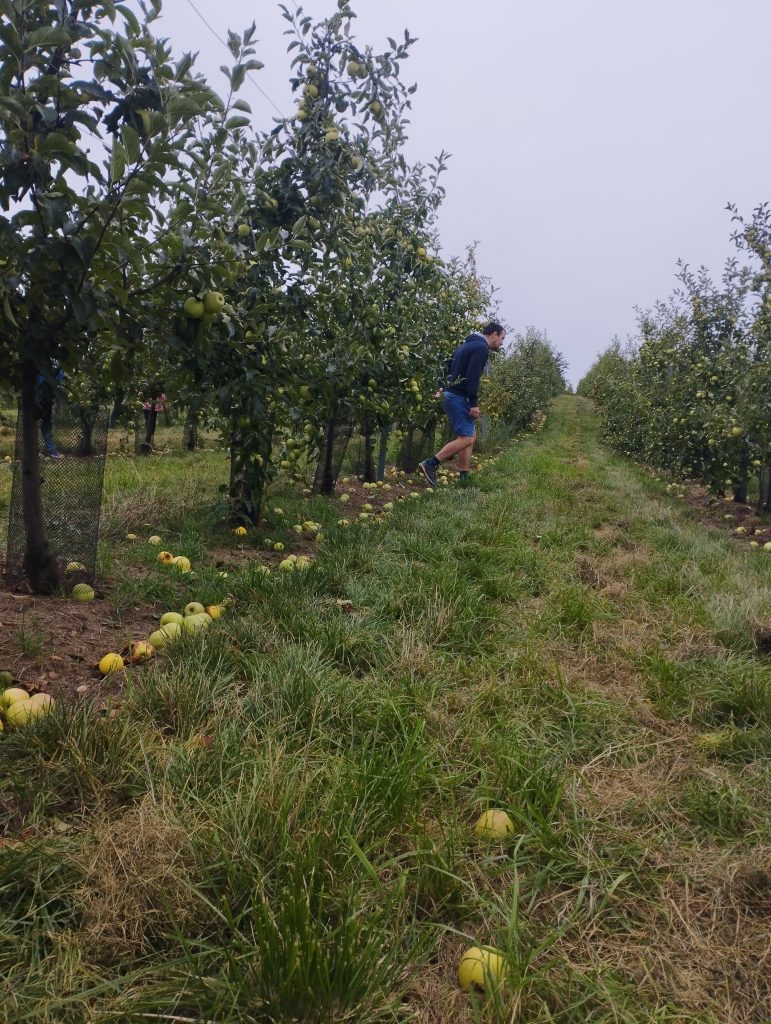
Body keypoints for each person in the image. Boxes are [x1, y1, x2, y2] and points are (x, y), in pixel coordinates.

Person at [419, 321, 506, 487]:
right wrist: (473, 403)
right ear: (494, 334)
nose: (502, 343)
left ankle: (464, 477)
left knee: (469, 436)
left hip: (452, 393)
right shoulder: (481, 347)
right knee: (467, 438)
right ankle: (430, 464)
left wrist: (440, 388)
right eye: (502, 338)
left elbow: (447, 365)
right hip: (458, 396)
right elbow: (473, 376)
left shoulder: (464, 345)